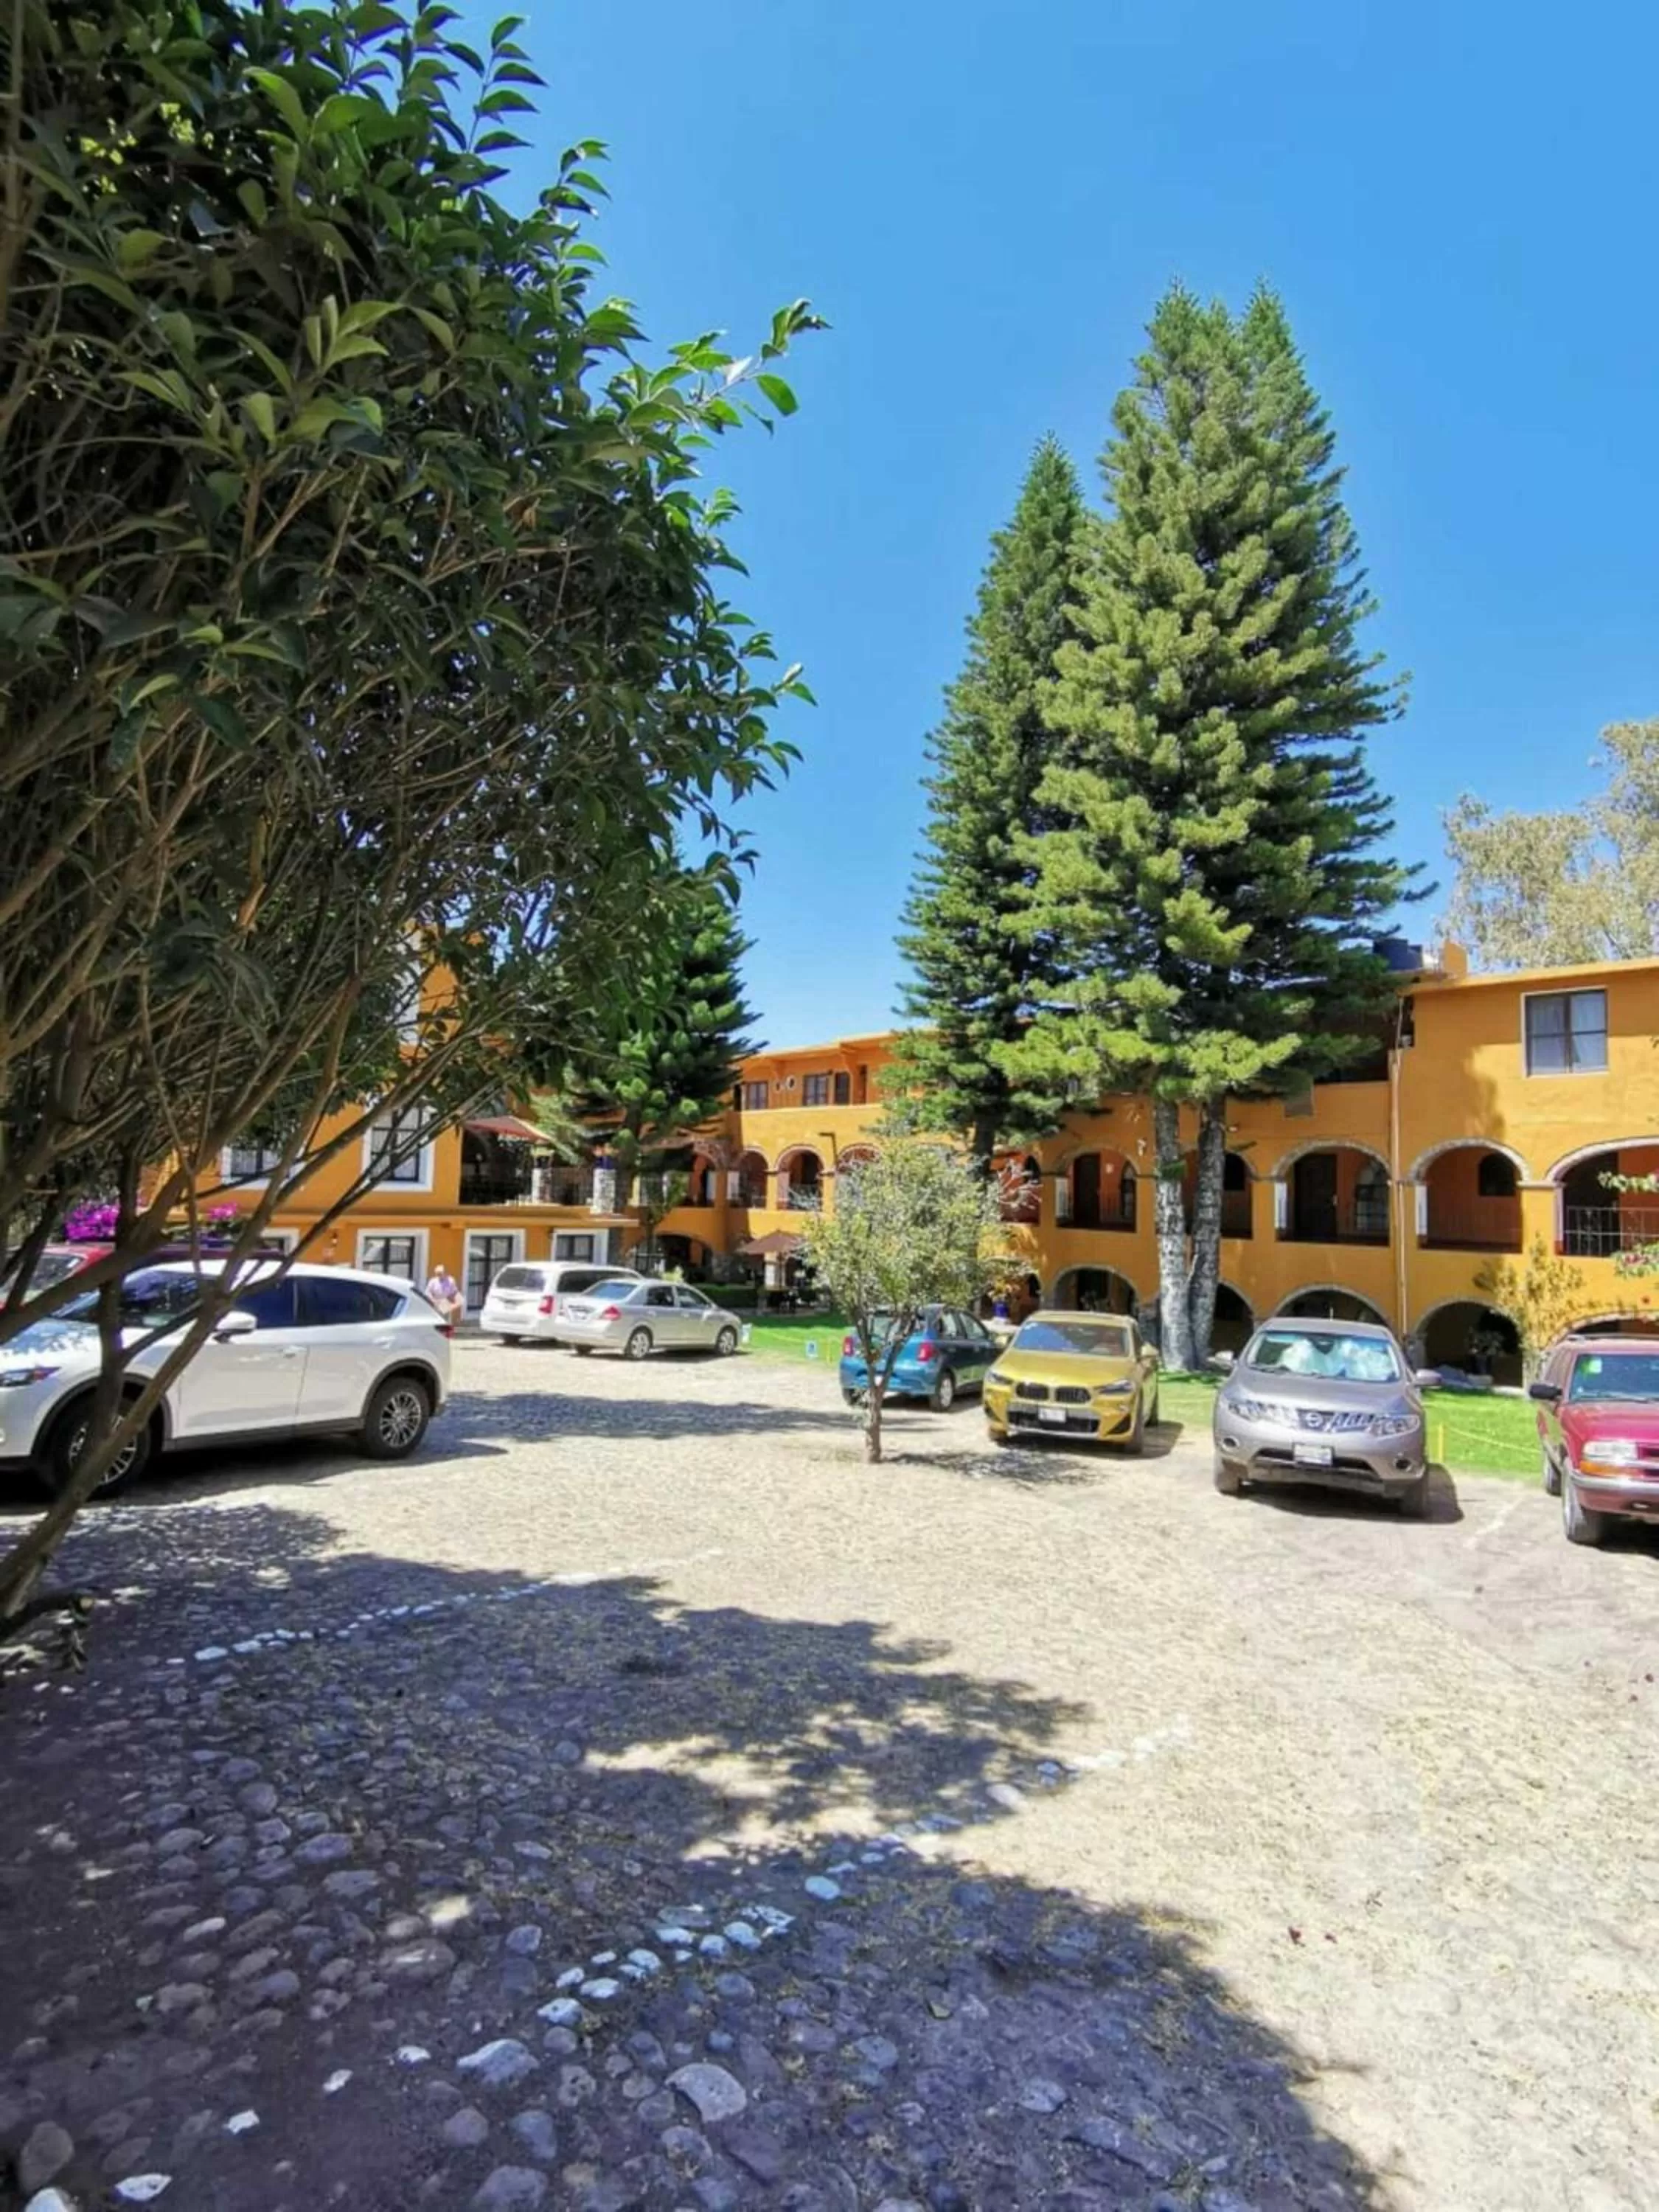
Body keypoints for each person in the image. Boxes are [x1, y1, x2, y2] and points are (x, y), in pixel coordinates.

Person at [425, 1262, 464, 1327]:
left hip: (446, 1302)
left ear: (444, 1273)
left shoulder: (450, 1280)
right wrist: (433, 1300)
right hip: (436, 1302)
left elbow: (454, 1291)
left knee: (445, 1321)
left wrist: (450, 1300)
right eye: (438, 1274)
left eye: (440, 1274)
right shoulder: (433, 1281)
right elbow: (428, 1292)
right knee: (436, 1320)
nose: (439, 1275)